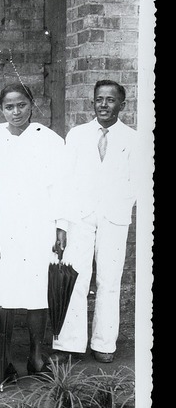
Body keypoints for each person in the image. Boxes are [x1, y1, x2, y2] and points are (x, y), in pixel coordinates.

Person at [52, 80, 141, 364]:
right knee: (76, 277)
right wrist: (63, 223)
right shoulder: (77, 135)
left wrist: (120, 205)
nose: (104, 104)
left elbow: (138, 183)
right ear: (92, 103)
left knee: (109, 280)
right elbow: (64, 181)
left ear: (122, 105)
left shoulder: (133, 139)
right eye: (99, 99)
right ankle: (70, 342)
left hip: (114, 218)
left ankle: (104, 342)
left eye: (110, 100)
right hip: (81, 217)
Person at [0, 83, 66, 375]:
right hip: (3, 227)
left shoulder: (50, 140)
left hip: (38, 226)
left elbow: (61, 187)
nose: (16, 112)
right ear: (1, 109)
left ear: (31, 104)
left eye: (21, 105)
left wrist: (60, 226)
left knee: (37, 291)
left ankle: (35, 352)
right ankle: (3, 356)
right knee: (1, 290)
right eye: (9, 107)